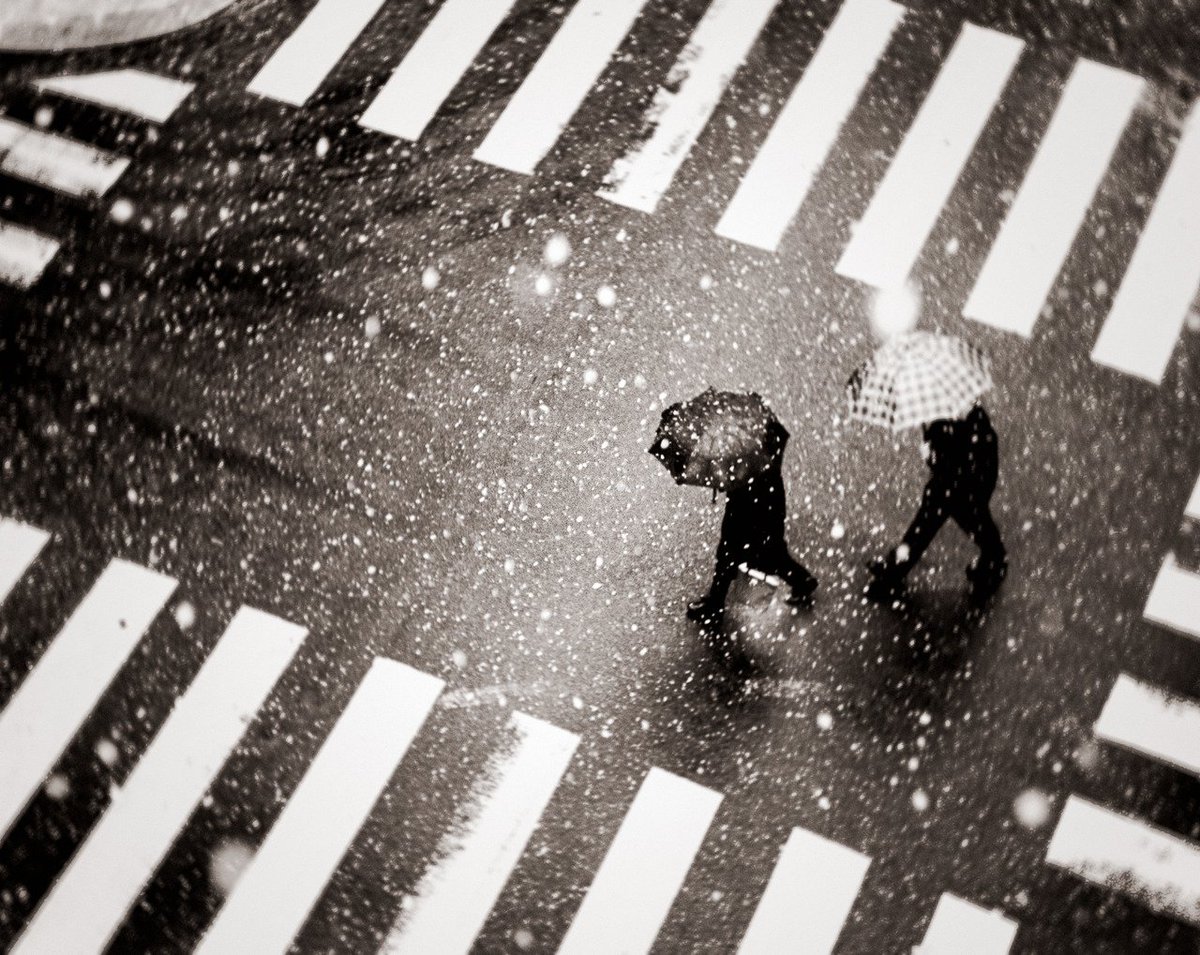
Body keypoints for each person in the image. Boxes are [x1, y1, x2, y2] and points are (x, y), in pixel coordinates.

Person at [867, 403, 1007, 602]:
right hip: (961, 486)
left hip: (956, 487)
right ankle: (993, 561)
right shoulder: (966, 421)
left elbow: (950, 460)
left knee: (930, 524)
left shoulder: (957, 427)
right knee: (969, 523)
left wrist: (931, 454)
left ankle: (894, 570)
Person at [688, 422, 817, 623]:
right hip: (763, 499)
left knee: (733, 551)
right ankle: (801, 580)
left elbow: (743, 474)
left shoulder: (747, 451)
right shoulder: (760, 446)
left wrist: (729, 476)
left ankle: (715, 605)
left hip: (749, 503)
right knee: (766, 551)